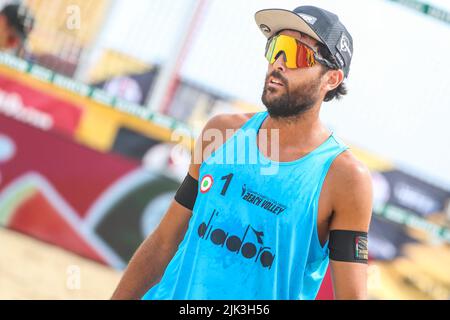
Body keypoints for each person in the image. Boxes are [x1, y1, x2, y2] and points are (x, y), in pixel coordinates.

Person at [112, 5, 373, 300]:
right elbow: (163, 242)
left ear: (332, 79)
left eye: (297, 52)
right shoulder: (222, 133)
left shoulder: (346, 178)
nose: (279, 63)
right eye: (276, 48)